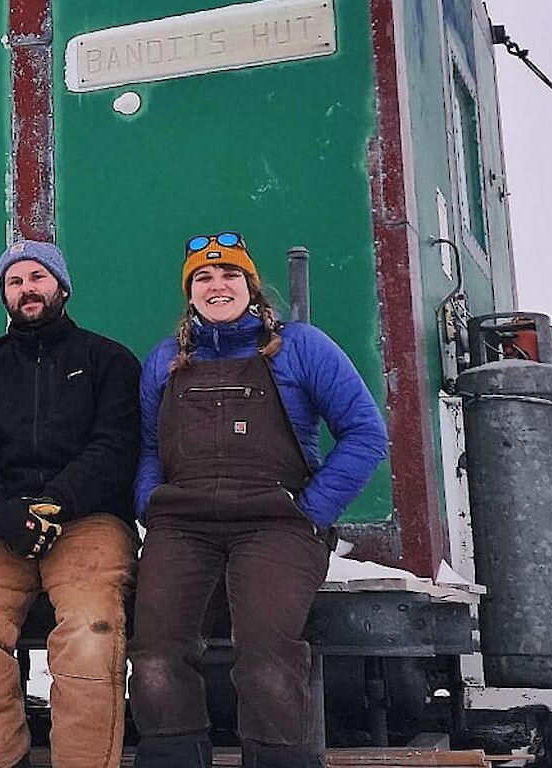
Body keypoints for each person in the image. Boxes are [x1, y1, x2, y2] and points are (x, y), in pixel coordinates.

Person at [127, 233, 388, 768]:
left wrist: (312, 510)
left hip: (276, 525)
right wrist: (150, 502)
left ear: (251, 286)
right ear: (190, 293)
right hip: (182, 525)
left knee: (267, 657)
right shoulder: (165, 360)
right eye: (204, 277)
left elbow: (365, 433)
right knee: (154, 654)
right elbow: (150, 446)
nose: (217, 285)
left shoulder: (302, 348)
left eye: (230, 276)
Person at [0, 240, 141, 768]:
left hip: (88, 520)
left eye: (37, 277)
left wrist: (56, 501)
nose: (27, 289)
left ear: (62, 287)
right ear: (4, 295)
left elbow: (115, 446)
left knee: (91, 634)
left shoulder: (109, 360)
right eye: (15, 281)